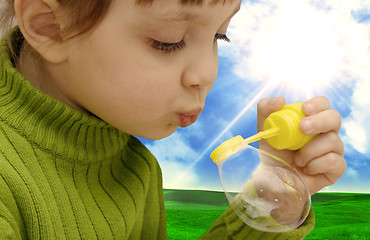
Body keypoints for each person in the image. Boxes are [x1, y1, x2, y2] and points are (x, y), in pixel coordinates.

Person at [0, 0, 346, 239]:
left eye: (218, 36)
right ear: (49, 27)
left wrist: (278, 197)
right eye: (169, 41)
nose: (207, 72)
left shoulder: (137, 167)